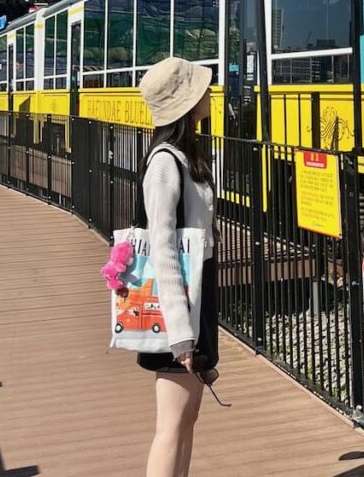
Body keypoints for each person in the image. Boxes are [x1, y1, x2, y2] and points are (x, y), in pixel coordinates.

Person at [137, 56, 220, 477]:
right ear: (186, 104)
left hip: (194, 302)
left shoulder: (184, 158)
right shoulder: (165, 164)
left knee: (185, 422)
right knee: (171, 427)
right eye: (201, 88)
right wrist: (182, 335)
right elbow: (162, 249)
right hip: (178, 312)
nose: (209, 93)